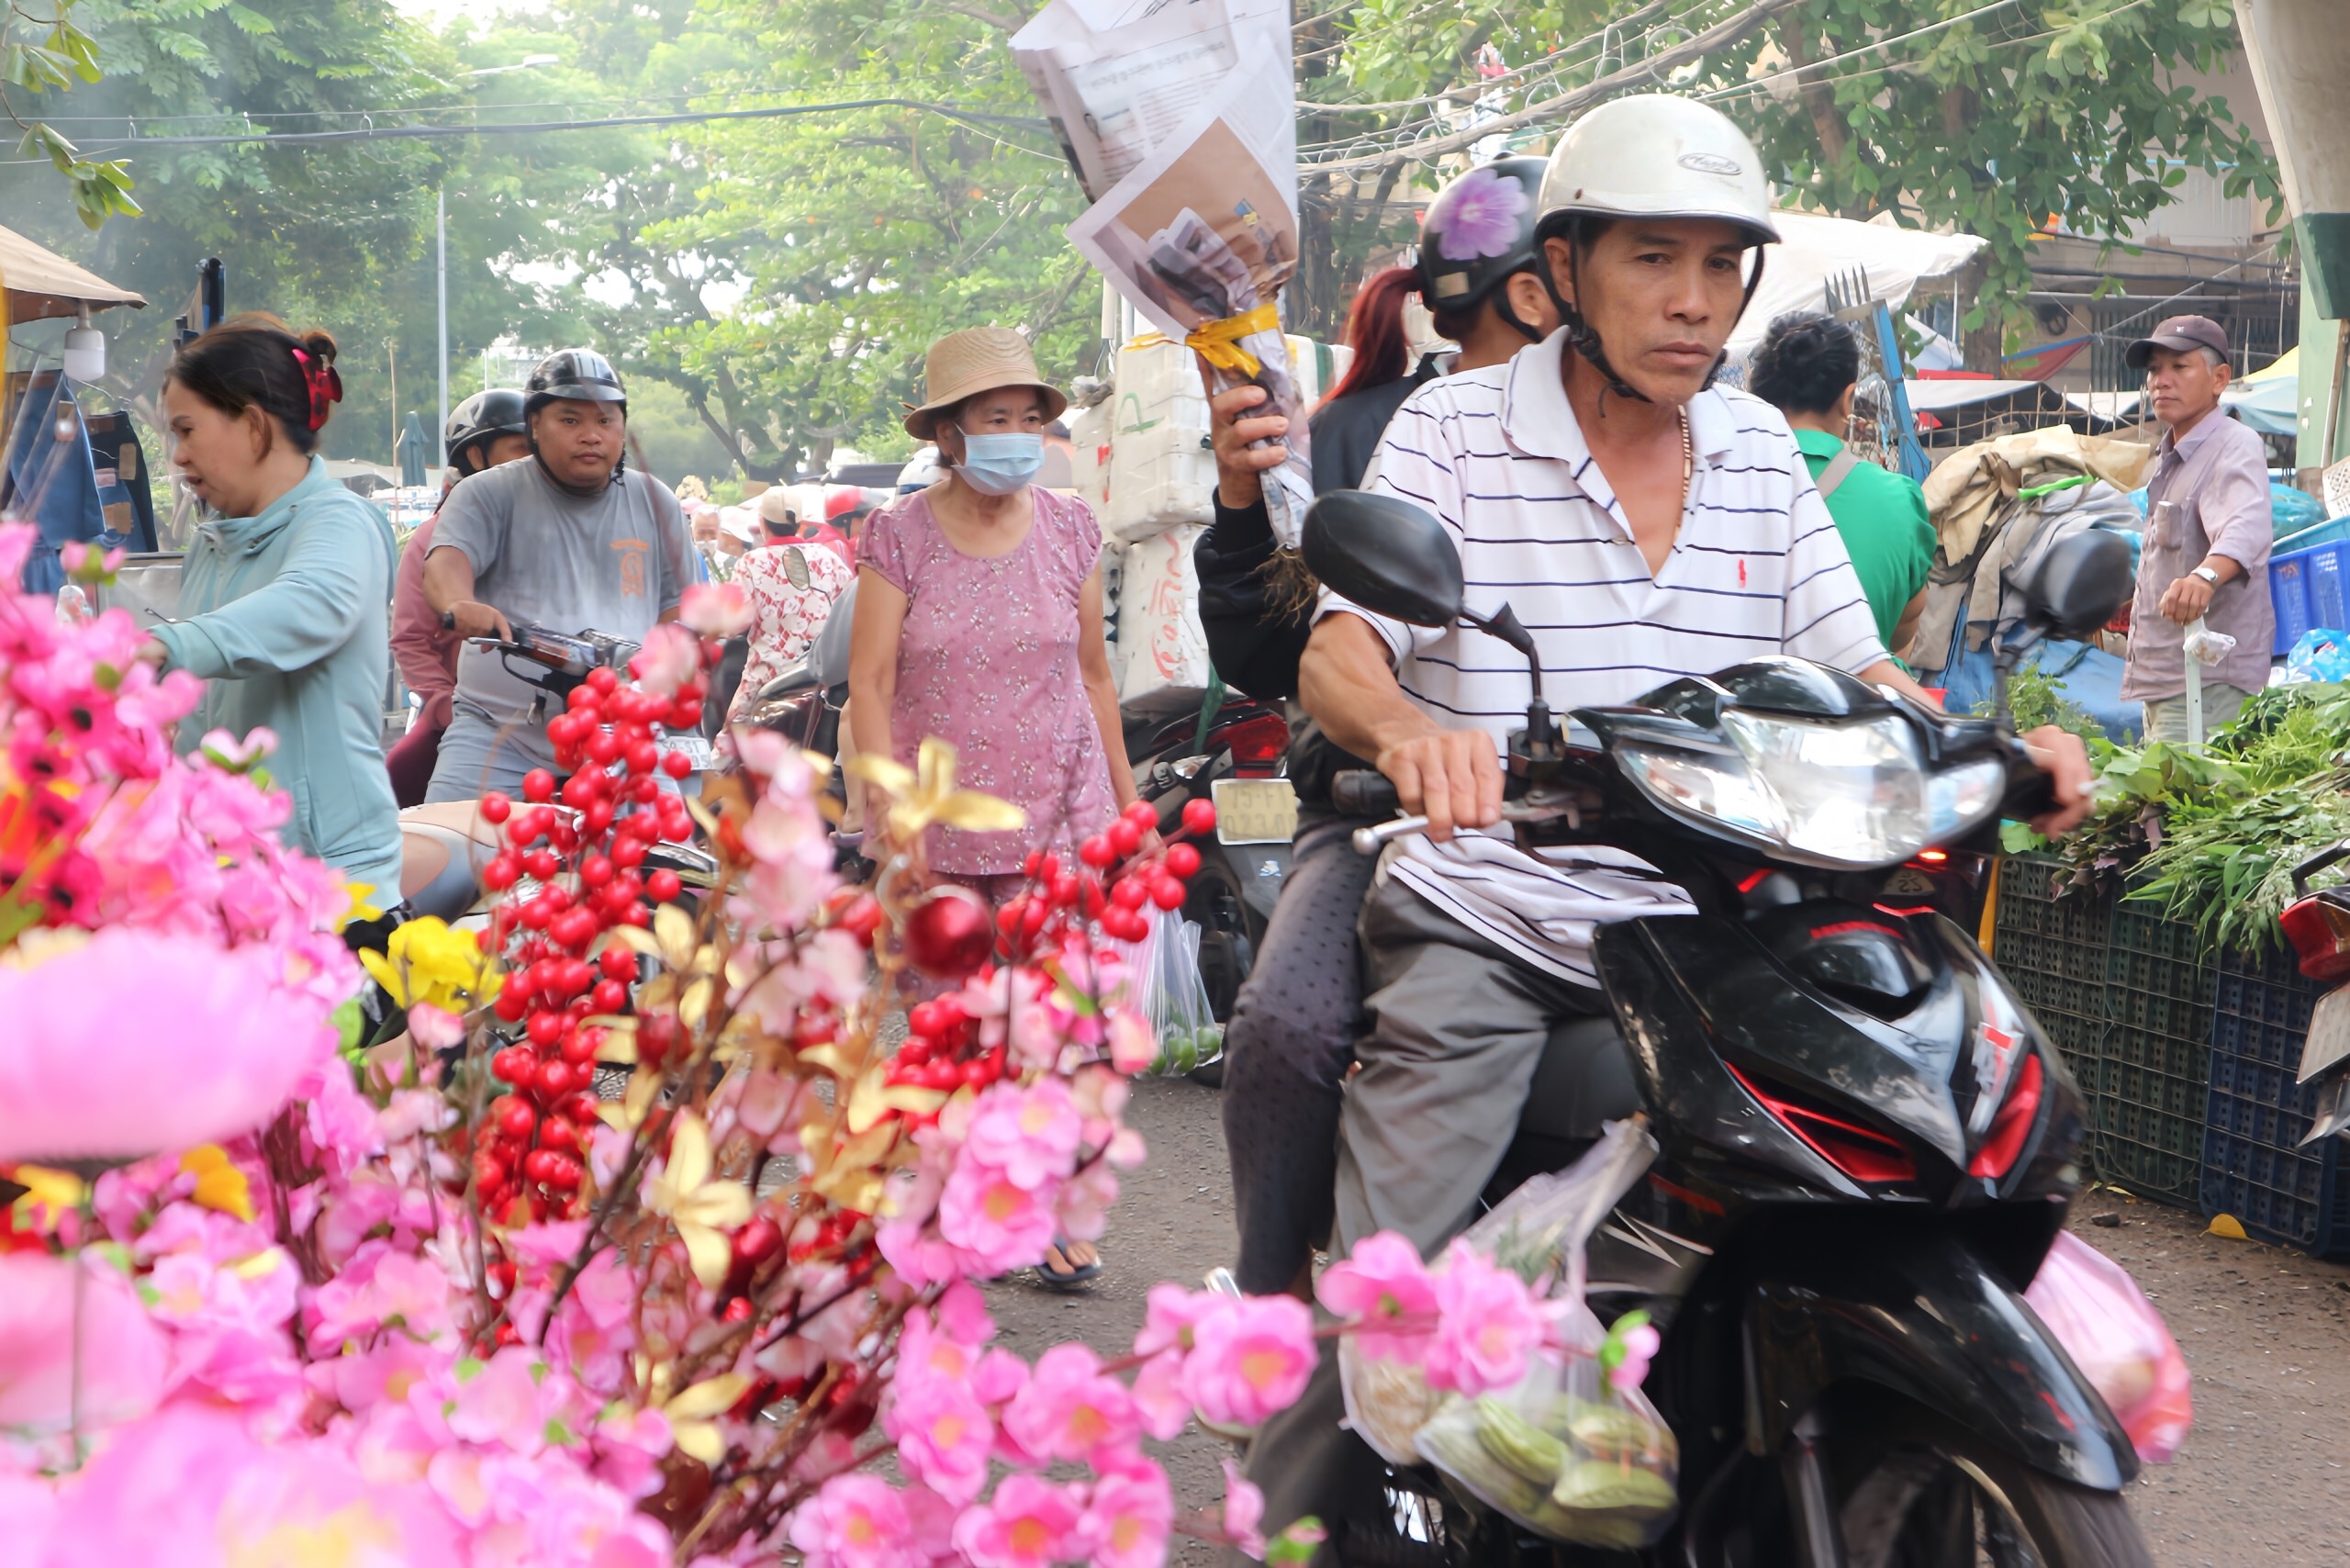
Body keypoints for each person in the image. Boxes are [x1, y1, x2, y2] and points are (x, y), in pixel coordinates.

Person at [1295, 95, 2095, 1264]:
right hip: (1495, 914)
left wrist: (1985, 751)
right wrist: (1411, 733)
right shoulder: (1453, 427)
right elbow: (1340, 651)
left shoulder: (1760, 448)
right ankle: (1342, 1412)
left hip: (1723, 929)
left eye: (1721, 265)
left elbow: (1861, 668)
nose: (1693, 299)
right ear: (1561, 269)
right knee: (1398, 1305)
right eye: (1655, 258)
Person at [1198, 156, 1561, 1300]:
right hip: (1383, 812)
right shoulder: (1365, 432)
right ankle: (1275, 1315)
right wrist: (1242, 502)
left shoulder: (1689, 440)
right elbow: (1270, 657)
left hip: (1600, 817)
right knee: (1289, 1025)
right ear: (1537, 292)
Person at [847, 327, 1136, 1285]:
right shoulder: (899, 538)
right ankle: (961, 1202)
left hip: (1060, 814)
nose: (1015, 434)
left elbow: (1096, 677)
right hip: (941, 825)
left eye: (1027, 417)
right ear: (948, 435)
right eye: (993, 418)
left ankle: (1046, 1205)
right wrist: (890, 819)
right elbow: (873, 684)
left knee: (1056, 1033)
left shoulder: (1069, 529)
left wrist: (1127, 811)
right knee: (959, 1032)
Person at [148, 313, 402, 897]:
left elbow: (310, 603)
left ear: (253, 424)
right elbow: (202, 714)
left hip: (330, 886)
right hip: (228, 883)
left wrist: (167, 645)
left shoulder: (340, 522)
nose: (178, 456)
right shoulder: (212, 542)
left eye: (187, 431)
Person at [420, 348, 694, 802]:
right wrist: (457, 604)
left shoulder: (656, 501)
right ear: (533, 426)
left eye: (605, 421)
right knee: (433, 858)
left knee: (666, 860)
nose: (591, 436)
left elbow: (678, 607)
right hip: (498, 734)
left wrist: (664, 669)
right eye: (570, 421)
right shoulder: (485, 493)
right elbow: (447, 563)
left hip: (622, 735)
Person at [2118, 315, 2274, 741]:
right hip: (2165, 677)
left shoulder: (2233, 445)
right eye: (2154, 369)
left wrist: (2204, 577)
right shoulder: (2170, 457)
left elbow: (2245, 525)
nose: (2160, 381)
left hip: (2206, 679)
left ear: (2219, 378)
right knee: (2162, 802)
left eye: (2179, 367)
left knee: (2181, 804)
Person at [1748, 311, 1935, 660]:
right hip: (1857, 705)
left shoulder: (1709, 482)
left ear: (1756, 390)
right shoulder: (1898, 498)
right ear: (1848, 397)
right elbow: (1900, 634)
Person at [385, 389, 531, 806]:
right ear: (476, 457)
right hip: (470, 722)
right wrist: (445, 705)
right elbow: (411, 638)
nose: (532, 463)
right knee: (407, 796)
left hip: (562, 720)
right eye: (519, 449)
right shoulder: (433, 537)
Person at [723, 498, 854, 737]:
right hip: (821, 676)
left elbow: (733, 625)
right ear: (800, 524)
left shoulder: (750, 562)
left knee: (728, 744)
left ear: (762, 523)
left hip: (767, 676)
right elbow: (849, 604)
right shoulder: (827, 557)